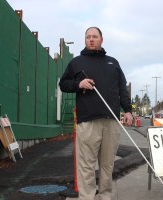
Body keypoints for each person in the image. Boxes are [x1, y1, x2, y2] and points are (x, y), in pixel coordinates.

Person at [59, 27, 133, 200]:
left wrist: (128, 110)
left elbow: (122, 88)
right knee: (86, 165)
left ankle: (105, 196)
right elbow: (64, 84)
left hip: (111, 121)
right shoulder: (76, 63)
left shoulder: (113, 63)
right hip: (88, 121)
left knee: (107, 164)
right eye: (88, 37)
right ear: (85, 40)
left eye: (94, 37)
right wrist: (79, 84)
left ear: (101, 39)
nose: (91, 39)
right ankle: (87, 197)